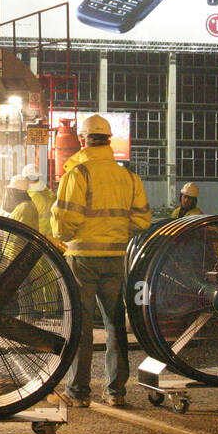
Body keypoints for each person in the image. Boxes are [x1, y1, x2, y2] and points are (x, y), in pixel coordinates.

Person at [52, 114, 151, 408]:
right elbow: (143, 219)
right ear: (109, 141)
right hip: (116, 257)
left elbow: (65, 223)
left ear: (83, 140)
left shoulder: (77, 174)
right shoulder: (128, 177)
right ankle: (116, 391)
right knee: (115, 323)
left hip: (82, 257)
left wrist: (65, 234)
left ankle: (79, 391)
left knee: (81, 325)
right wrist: (118, 231)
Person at [23, 163, 55, 237]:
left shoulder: (31, 197)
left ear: (26, 178)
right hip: (52, 237)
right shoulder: (50, 193)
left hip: (38, 237)